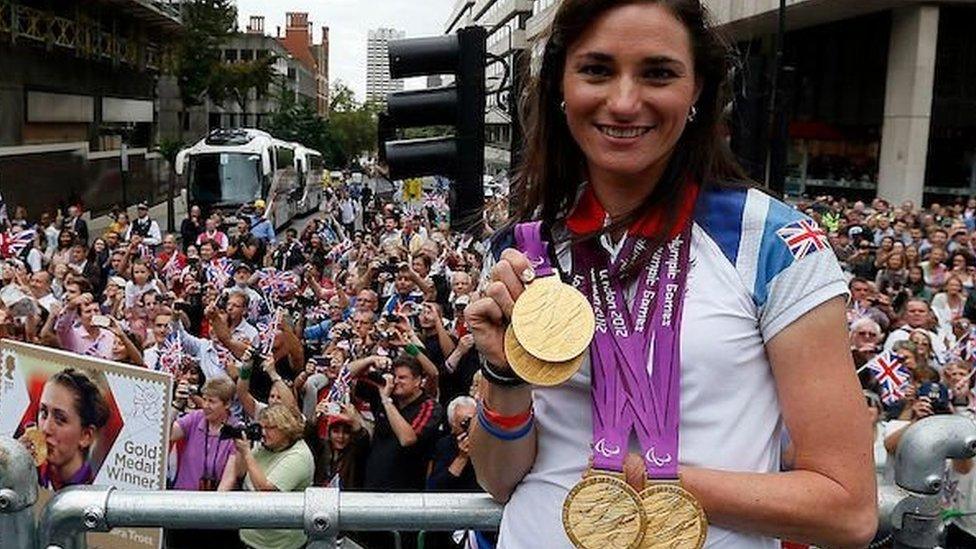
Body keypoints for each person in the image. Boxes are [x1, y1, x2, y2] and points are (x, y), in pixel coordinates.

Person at [466, 2, 875, 548]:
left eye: (658, 72)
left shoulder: (773, 242)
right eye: (597, 70)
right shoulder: (523, 249)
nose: (625, 101)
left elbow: (846, 509)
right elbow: (498, 481)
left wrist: (638, 479)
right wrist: (504, 374)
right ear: (561, 85)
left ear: (698, 89)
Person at [166, 377, 241, 548]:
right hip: (184, 507)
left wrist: (209, 512)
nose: (205, 405)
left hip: (216, 515)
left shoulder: (236, 430)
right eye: (205, 399)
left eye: (212, 401)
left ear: (227, 404)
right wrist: (176, 405)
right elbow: (165, 435)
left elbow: (229, 479)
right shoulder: (194, 418)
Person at [235, 403, 314, 549]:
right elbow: (240, 472)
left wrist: (247, 453)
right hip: (249, 536)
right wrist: (240, 452)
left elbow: (266, 490)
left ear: (286, 429)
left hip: (279, 543)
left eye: (270, 428)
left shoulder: (298, 456)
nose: (263, 433)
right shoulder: (266, 445)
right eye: (262, 427)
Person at [19, 368, 109, 489]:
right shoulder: (27, 472)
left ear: (86, 436)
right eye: (44, 413)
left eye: (60, 419)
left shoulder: (94, 493)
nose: (45, 428)